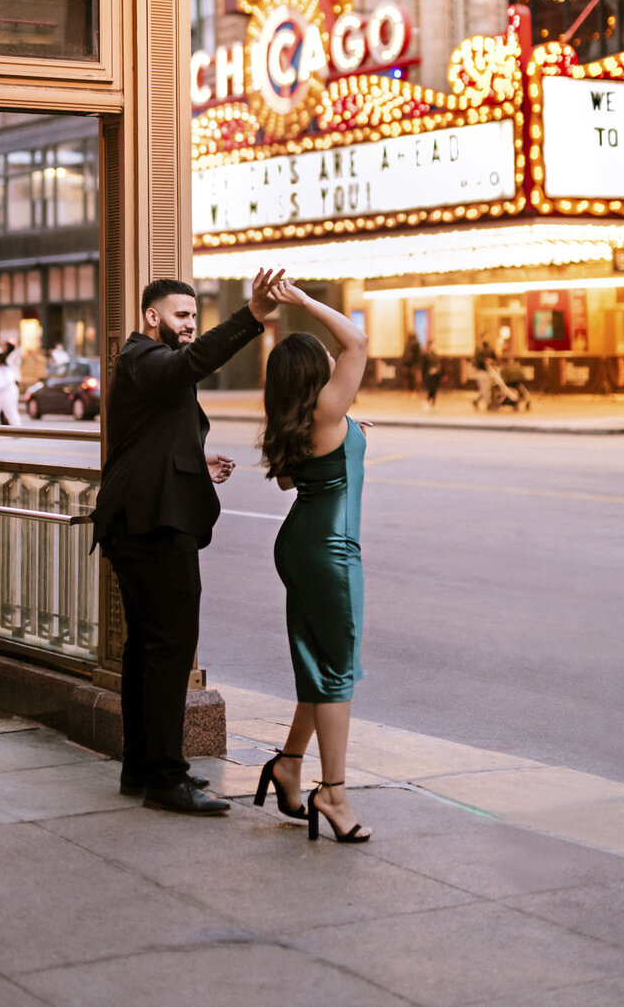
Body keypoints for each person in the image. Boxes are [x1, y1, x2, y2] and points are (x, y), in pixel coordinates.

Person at [88, 269, 282, 815]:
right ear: (153, 317)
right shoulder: (142, 358)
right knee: (170, 649)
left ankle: (140, 768)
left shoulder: (149, 367)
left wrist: (195, 459)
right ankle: (167, 779)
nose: (190, 325)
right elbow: (188, 366)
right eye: (181, 315)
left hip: (142, 519)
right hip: (152, 526)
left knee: (148, 649)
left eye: (194, 316)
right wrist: (252, 317)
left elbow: (149, 435)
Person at [256, 281, 372, 844]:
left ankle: (289, 763)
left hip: (298, 543)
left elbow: (289, 479)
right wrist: (302, 303)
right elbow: (358, 341)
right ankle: (335, 792)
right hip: (331, 549)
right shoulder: (329, 409)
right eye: (322, 356)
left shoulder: (303, 419)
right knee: (338, 670)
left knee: (316, 663)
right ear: (314, 374)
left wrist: (350, 431)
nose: (334, 355)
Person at [471, 335, 497, 411]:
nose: (486, 339)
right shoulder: (479, 348)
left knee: (486, 388)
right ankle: (488, 404)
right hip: (481, 371)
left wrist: (491, 361)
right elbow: (477, 358)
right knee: (485, 388)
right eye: (484, 337)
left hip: (489, 371)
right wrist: (484, 361)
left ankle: (476, 401)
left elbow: (495, 357)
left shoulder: (491, 348)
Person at [421, 345, 443, 409]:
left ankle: (433, 403)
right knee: (432, 389)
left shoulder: (437, 356)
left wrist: (441, 373)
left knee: (435, 390)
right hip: (430, 375)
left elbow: (439, 365)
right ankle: (428, 401)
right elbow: (424, 367)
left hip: (436, 375)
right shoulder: (426, 356)